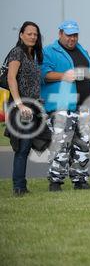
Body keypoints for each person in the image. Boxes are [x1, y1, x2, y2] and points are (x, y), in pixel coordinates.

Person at [41, 20, 90, 191]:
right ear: (60, 33)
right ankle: (55, 182)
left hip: (84, 106)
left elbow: (87, 71)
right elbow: (43, 74)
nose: (72, 38)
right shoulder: (49, 51)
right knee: (61, 145)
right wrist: (64, 75)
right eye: (69, 35)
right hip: (62, 107)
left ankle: (80, 181)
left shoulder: (82, 49)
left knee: (83, 145)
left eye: (75, 35)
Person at [4, 21, 43, 196]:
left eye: (35, 34)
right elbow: (11, 78)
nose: (33, 37)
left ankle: (21, 185)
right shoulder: (17, 52)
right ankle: (19, 187)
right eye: (29, 33)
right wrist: (19, 104)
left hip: (32, 107)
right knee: (22, 148)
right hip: (21, 108)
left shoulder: (32, 55)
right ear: (21, 35)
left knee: (28, 147)